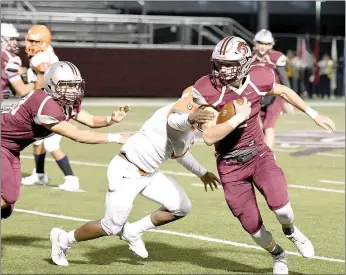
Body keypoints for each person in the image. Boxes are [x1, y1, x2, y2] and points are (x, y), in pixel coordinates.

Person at [185, 36, 335, 274]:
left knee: (283, 209)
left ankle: (291, 231)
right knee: (253, 228)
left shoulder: (260, 76)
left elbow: (283, 91)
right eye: (219, 63)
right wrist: (237, 117)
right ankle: (278, 255)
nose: (223, 69)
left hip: (258, 154)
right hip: (229, 165)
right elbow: (210, 137)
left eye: (229, 64)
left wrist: (313, 114)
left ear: (244, 63)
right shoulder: (206, 89)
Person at [48, 87, 222, 266]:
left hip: (150, 174)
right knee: (111, 227)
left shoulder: (189, 129)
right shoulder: (179, 112)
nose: (208, 121)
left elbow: (182, 154)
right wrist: (190, 118)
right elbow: (174, 121)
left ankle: (133, 231)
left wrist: (202, 173)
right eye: (207, 115)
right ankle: (62, 240)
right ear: (200, 107)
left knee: (181, 207)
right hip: (127, 170)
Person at [1, 61, 130, 220]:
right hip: (2, 144)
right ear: (52, 84)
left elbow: (90, 120)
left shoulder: (63, 103)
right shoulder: (44, 103)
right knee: (8, 196)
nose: (73, 90)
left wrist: (111, 119)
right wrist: (118, 138)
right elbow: (78, 135)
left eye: (75, 85)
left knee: (7, 205)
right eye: (67, 85)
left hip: (11, 150)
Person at [20, 25, 80, 192]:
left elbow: (40, 85)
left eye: (36, 41)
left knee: (51, 143)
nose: (32, 44)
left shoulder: (41, 60)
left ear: (45, 43)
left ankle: (71, 178)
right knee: (37, 139)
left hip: (53, 104)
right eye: (30, 40)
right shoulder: (45, 54)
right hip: (52, 100)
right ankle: (39, 174)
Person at [252, 29, 294, 150]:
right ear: (255, 43)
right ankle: (260, 154)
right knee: (256, 127)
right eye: (260, 43)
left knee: (268, 126)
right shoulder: (249, 57)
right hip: (257, 97)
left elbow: (284, 79)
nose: (263, 46)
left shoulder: (276, 57)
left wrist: (288, 100)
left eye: (266, 44)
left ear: (271, 45)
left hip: (275, 96)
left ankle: (268, 155)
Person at [1, 23, 40, 98]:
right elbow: (23, 91)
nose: (15, 42)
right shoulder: (10, 59)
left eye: (16, 39)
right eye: (12, 39)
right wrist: (36, 82)